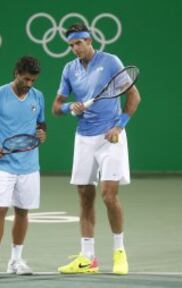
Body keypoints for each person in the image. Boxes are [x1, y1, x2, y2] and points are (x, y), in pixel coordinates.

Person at [52, 23, 141, 275]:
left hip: (110, 137)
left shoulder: (110, 61)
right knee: (84, 196)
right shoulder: (69, 69)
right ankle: (87, 258)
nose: (74, 48)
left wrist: (120, 126)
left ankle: (119, 252)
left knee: (109, 196)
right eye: (70, 45)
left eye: (78, 43)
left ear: (89, 40)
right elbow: (56, 107)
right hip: (83, 138)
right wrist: (71, 107)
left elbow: (134, 95)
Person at [0, 56, 47, 279]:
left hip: (30, 165)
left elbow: (41, 124)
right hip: (3, 166)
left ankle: (15, 260)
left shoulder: (38, 97)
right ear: (16, 73)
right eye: (26, 79)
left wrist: (42, 133)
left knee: (23, 212)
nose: (30, 84)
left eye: (33, 80)